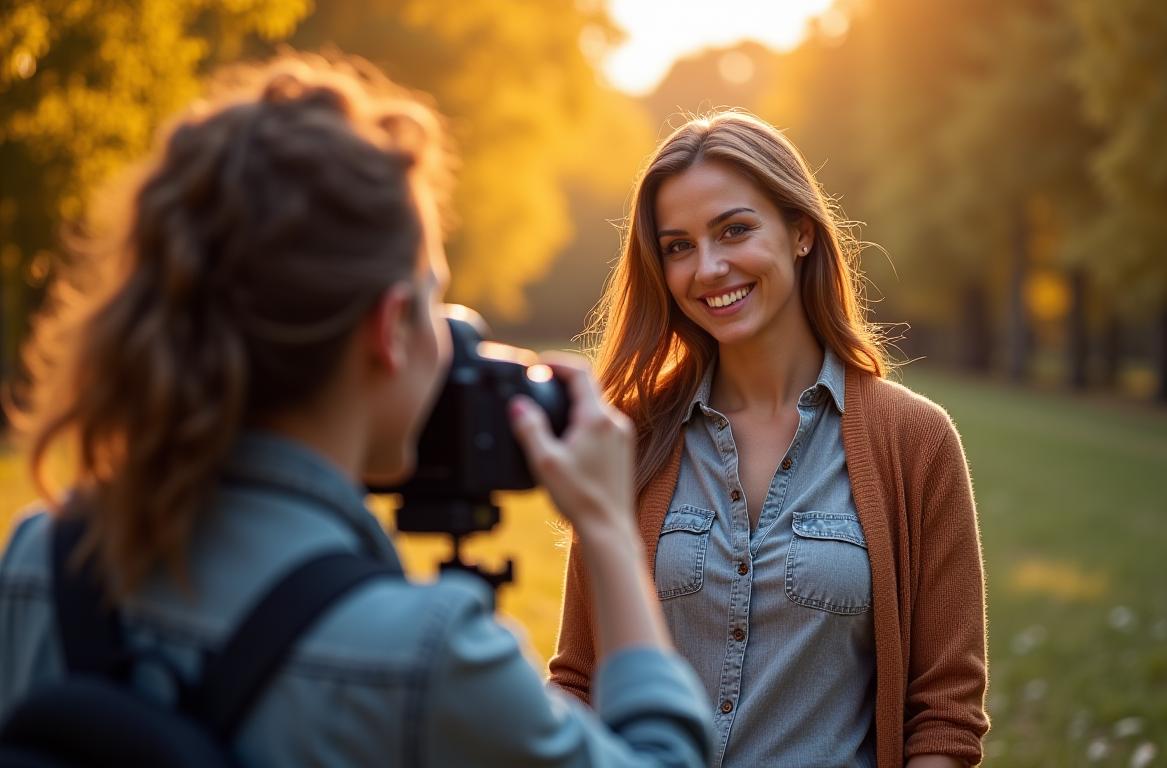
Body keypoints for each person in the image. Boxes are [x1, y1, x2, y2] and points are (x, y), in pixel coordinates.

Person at [0, 54, 713, 767]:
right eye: (435, 299)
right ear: (391, 327)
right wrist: (609, 528)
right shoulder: (429, 658)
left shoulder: (42, 560)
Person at [549, 112, 989, 768]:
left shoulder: (915, 441)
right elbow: (580, 678)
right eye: (678, 246)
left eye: (734, 230)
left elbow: (945, 712)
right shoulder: (631, 438)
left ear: (801, 232)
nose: (709, 268)